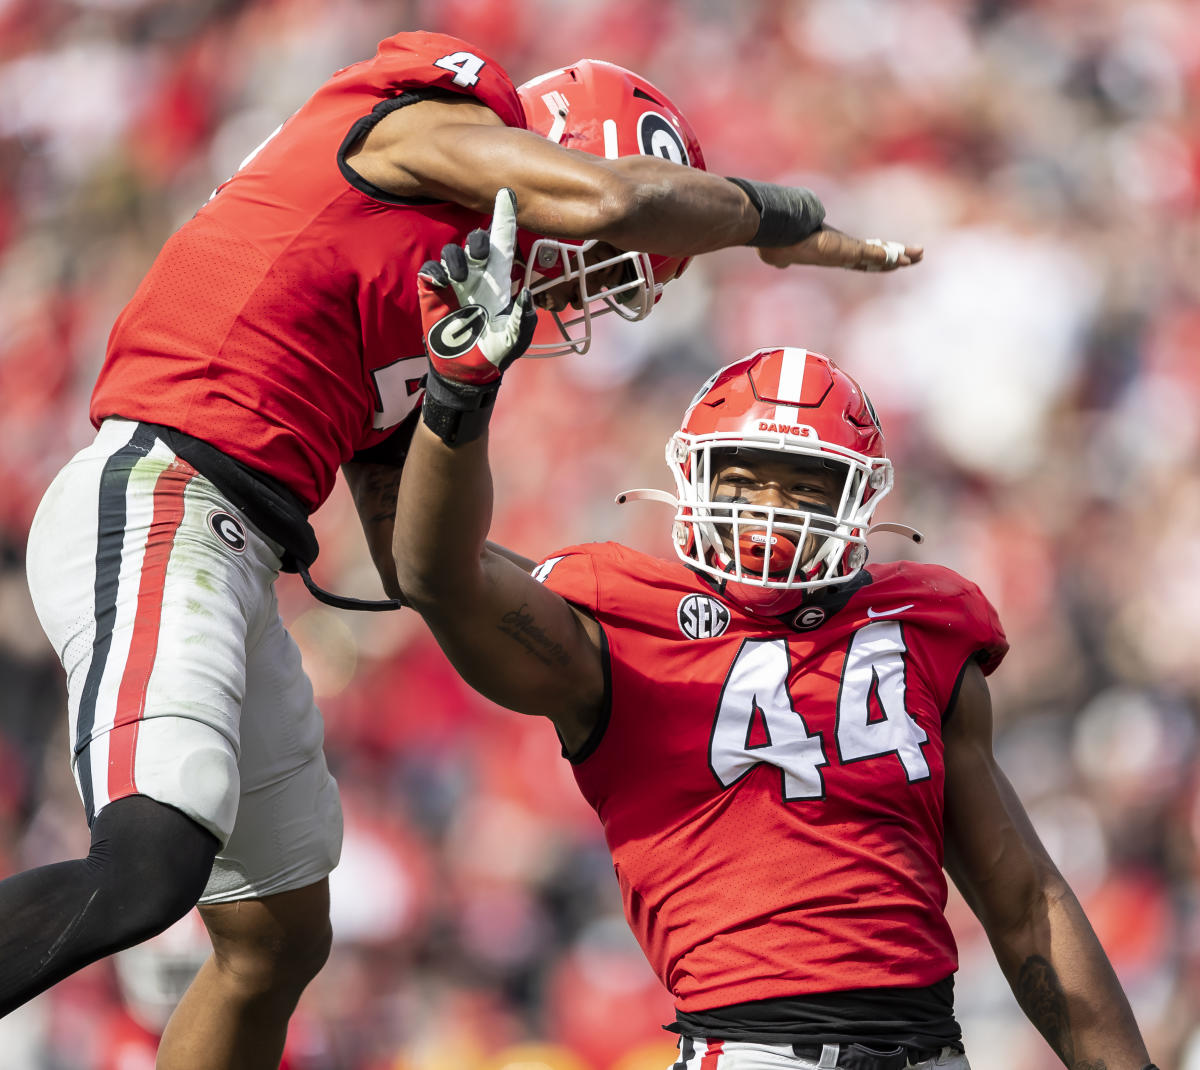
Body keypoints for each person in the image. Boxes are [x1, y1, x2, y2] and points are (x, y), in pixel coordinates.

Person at [11, 26, 920, 1070]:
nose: (582, 295)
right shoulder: (424, 119)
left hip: (236, 542)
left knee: (276, 937)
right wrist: (771, 216)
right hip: (166, 489)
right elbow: (612, 201)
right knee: (148, 865)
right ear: (562, 149)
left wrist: (463, 395)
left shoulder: (426, 293)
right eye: (605, 273)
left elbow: (420, 565)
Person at [389, 207, 1156, 1070]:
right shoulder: (620, 622)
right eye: (742, 478)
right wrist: (457, 398)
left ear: (858, 503)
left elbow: (1024, 900)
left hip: (933, 1052)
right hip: (752, 1051)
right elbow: (436, 576)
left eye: (803, 485)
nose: (765, 508)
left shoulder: (926, 626)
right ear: (691, 480)